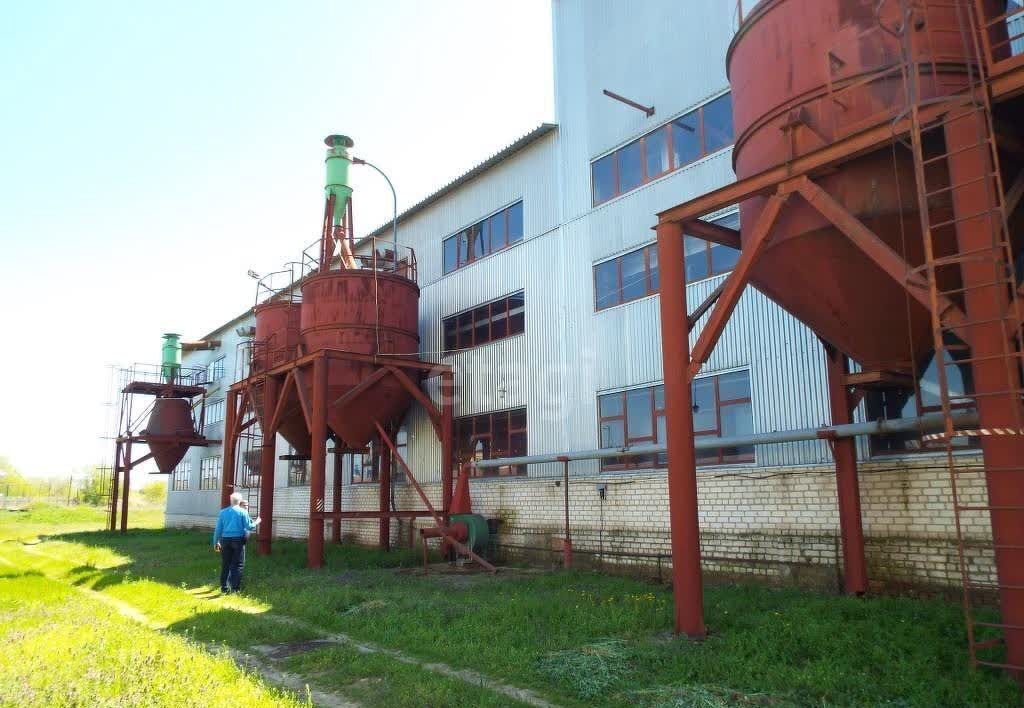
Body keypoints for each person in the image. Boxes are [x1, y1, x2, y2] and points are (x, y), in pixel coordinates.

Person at [213, 493, 260, 593]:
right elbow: (249, 527)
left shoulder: (223, 512)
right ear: (239, 501)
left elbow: (218, 529)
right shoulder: (243, 512)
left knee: (226, 564)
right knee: (238, 564)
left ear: (231, 500)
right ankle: (235, 589)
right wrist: (256, 522)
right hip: (237, 540)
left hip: (225, 541)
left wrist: (216, 542)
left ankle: (224, 588)